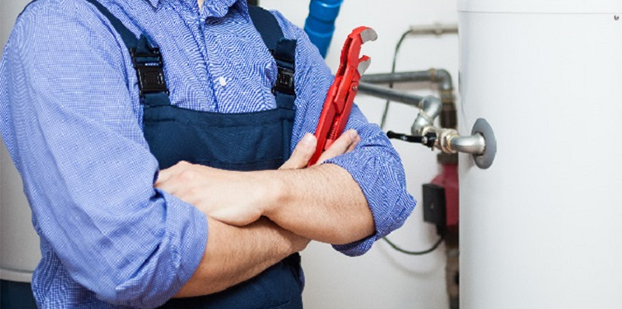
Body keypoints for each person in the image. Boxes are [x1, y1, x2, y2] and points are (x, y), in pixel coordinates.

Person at [0, 0, 415, 307]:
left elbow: (383, 189)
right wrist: (294, 226)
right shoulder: (65, 27)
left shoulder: (278, 37)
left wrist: (266, 190)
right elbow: (136, 261)